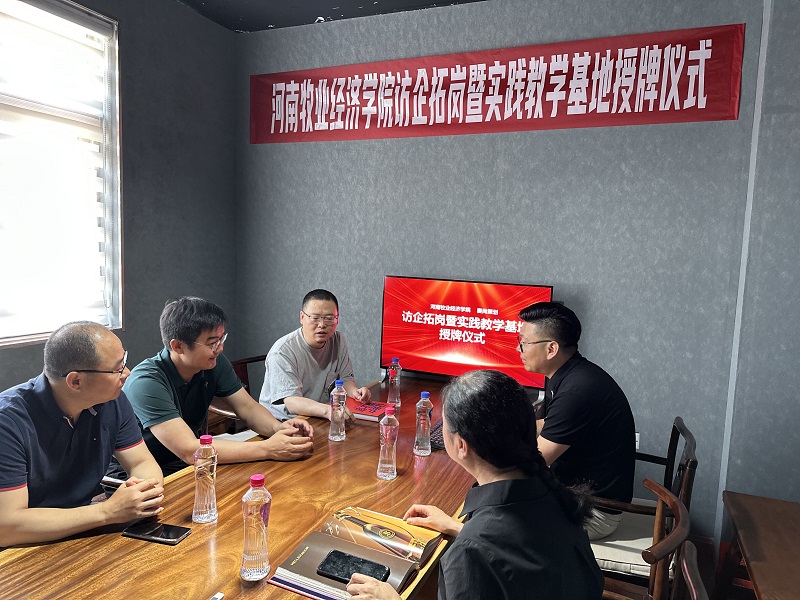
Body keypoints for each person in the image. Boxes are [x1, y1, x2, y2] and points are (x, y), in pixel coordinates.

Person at [347, 370, 603, 600]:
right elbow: (519, 556)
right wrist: (460, 528)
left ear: (461, 445)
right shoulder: (552, 494)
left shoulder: (469, 553)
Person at [0, 322, 164, 547]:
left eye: (124, 362)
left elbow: (141, 461)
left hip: (83, 529)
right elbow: (7, 527)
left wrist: (143, 493)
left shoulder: (112, 400)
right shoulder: (8, 422)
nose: (127, 373)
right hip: (22, 547)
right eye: (117, 369)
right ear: (75, 381)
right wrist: (108, 511)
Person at [122, 297, 314, 475]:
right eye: (213, 343)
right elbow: (189, 450)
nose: (220, 348)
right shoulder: (145, 382)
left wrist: (279, 429)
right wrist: (268, 449)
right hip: (140, 474)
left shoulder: (213, 363)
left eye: (222, 339)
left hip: (189, 463)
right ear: (178, 346)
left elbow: (247, 408)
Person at [517, 301, 636, 540]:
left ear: (551, 349)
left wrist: (481, 457)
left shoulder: (577, 390)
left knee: (500, 516)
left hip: (593, 512)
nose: (518, 349)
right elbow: (548, 426)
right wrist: (498, 431)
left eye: (524, 343)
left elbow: (534, 463)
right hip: (571, 492)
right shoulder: (567, 374)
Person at [259, 289, 371, 421]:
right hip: (281, 423)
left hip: (317, 416)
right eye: (315, 318)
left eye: (329, 318)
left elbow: (346, 379)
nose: (322, 325)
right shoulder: (282, 352)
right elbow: (292, 402)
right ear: (302, 317)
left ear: (337, 319)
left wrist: (355, 392)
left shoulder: (338, 341)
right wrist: (328, 410)